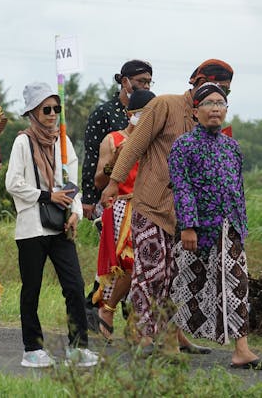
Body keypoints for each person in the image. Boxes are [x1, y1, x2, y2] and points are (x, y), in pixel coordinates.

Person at [101, 58, 234, 354]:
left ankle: (173, 336)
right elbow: (134, 145)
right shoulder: (165, 105)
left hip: (185, 215)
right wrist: (113, 183)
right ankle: (141, 336)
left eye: (222, 93)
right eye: (210, 87)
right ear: (195, 83)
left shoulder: (209, 119)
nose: (216, 97)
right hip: (151, 205)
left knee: (176, 277)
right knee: (151, 273)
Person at [5, 82, 99, 368]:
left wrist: (75, 212)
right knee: (31, 288)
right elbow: (13, 183)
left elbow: (73, 183)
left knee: (74, 285)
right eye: (46, 109)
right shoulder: (23, 141)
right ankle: (32, 349)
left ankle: (78, 348)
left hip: (60, 226)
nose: (52, 114)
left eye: (56, 108)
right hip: (32, 226)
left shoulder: (63, 141)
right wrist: (47, 196)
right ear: (33, 112)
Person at [168, 83, 261, 369]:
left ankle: (241, 349)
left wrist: (241, 226)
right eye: (209, 103)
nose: (216, 108)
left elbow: (238, 189)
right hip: (195, 229)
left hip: (228, 227)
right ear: (196, 111)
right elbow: (181, 188)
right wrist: (188, 226)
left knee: (237, 284)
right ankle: (172, 339)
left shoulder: (232, 146)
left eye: (220, 103)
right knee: (184, 283)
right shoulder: (183, 145)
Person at [80, 60, 153, 325]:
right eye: (141, 81)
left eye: (148, 82)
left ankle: (125, 320)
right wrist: (88, 198)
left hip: (147, 203)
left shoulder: (153, 122)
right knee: (119, 262)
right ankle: (101, 310)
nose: (144, 85)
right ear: (124, 81)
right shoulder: (106, 114)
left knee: (138, 264)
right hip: (115, 200)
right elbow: (93, 160)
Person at [91, 89, 155, 341]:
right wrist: (116, 159)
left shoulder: (156, 142)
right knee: (127, 265)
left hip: (149, 208)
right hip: (121, 207)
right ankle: (106, 310)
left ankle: (135, 325)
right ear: (130, 115)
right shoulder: (113, 139)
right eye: (142, 114)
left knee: (146, 269)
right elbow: (99, 180)